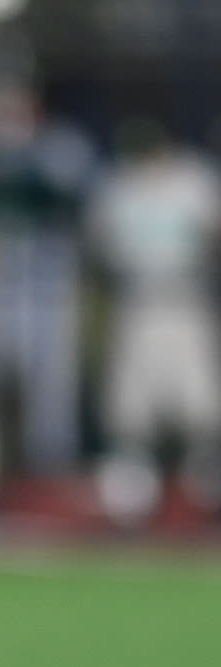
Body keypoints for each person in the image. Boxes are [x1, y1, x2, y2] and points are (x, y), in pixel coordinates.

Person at [86, 118, 221, 525]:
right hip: (138, 305)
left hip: (186, 303)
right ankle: (131, 507)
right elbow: (98, 245)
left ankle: (206, 497)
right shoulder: (117, 186)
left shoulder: (195, 181)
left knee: (201, 408)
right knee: (131, 415)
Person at [0, 82, 94, 476]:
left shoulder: (61, 144)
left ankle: (51, 463)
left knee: (50, 375)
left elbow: (72, 188)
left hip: (45, 272)